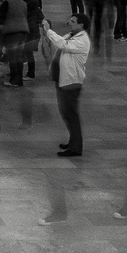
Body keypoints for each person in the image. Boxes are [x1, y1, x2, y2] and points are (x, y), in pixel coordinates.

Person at [42, 13, 91, 157]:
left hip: (71, 81)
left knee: (71, 114)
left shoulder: (82, 40)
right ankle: (72, 141)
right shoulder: (71, 35)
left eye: (73, 21)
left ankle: (76, 147)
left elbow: (63, 45)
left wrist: (48, 30)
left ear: (81, 25)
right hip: (63, 80)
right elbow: (58, 42)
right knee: (66, 113)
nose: (69, 23)